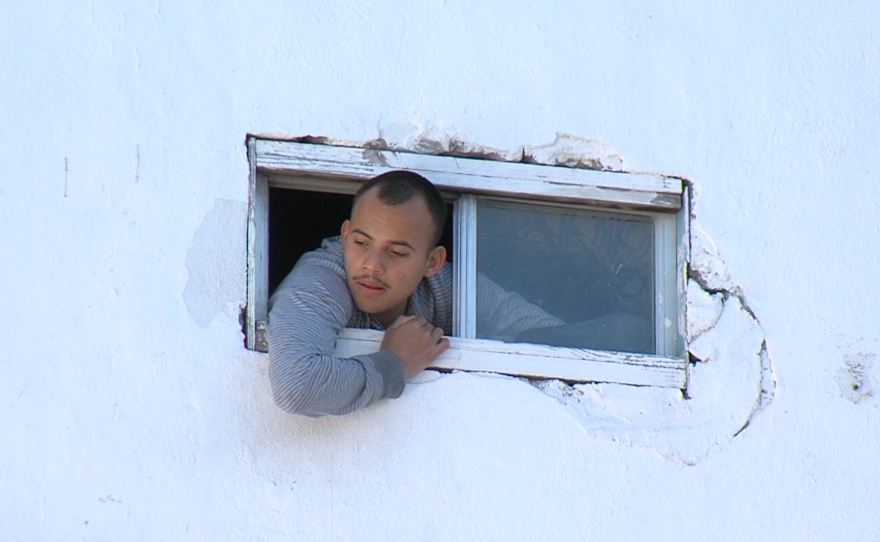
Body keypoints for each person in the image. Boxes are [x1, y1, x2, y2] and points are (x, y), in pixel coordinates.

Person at [268, 170, 561, 417]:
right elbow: (297, 385)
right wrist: (395, 363)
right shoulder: (322, 280)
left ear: (432, 262)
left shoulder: (442, 286)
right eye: (361, 243)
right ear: (345, 237)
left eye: (396, 252)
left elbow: (547, 335)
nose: (372, 265)